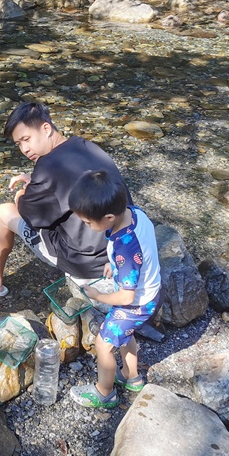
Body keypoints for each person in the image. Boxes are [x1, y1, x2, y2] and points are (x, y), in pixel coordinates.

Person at [0, 101, 131, 297]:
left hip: (86, 262)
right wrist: (36, 183)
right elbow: (70, 183)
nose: (24, 149)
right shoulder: (87, 147)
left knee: (2, 213)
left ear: (46, 128)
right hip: (119, 246)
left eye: (27, 139)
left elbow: (31, 217)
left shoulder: (48, 165)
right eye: (19, 144)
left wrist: (22, 196)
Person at [66, 170, 161, 409]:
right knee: (124, 335)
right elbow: (139, 254)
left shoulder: (125, 249)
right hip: (149, 294)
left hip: (135, 304)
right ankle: (132, 377)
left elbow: (126, 296)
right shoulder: (135, 213)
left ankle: (104, 393)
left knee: (103, 343)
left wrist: (99, 296)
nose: (86, 225)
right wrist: (114, 264)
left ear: (109, 217)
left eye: (88, 222)